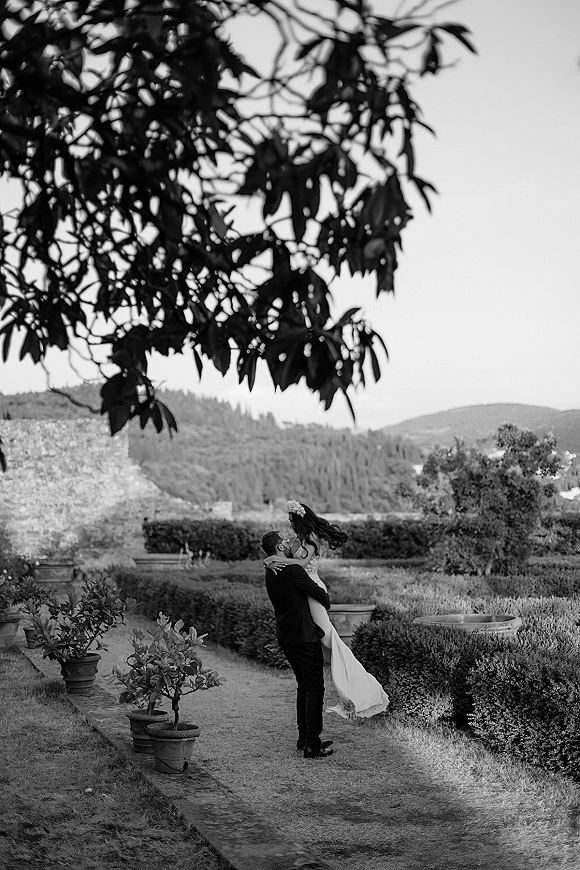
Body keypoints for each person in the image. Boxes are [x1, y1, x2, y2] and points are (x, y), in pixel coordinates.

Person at [264, 500, 390, 720]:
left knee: (329, 639)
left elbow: (299, 566)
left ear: (300, 519)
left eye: (292, 521)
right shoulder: (297, 541)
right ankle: (345, 683)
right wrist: (272, 560)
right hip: (304, 589)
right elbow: (285, 558)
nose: (290, 526)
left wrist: (272, 559)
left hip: (313, 590)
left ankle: (357, 687)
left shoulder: (311, 539)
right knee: (325, 641)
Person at [261, 529, 334, 759]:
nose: (289, 540)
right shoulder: (292, 570)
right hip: (304, 637)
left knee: (304, 686)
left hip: (287, 636)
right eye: (285, 539)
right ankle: (312, 744)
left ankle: (305, 737)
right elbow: (323, 598)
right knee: (315, 687)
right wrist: (321, 589)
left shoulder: (271, 570)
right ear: (280, 547)